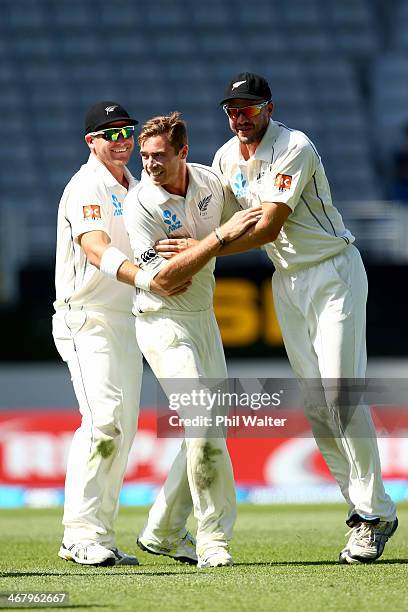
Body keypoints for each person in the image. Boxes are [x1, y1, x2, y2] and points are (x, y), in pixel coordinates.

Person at [208, 72, 397, 564]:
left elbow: (267, 224)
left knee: (340, 391)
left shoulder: (295, 145)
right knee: (316, 405)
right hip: (286, 280)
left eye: (248, 108)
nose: (239, 117)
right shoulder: (226, 157)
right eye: (231, 109)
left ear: (269, 107)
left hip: (332, 270)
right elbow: (218, 219)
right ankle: (362, 512)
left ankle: (375, 513)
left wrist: (200, 251)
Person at [52, 100, 199, 567]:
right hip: (87, 318)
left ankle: (100, 534)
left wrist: (173, 262)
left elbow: (149, 246)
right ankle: (78, 535)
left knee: (123, 428)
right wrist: (148, 278)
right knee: (104, 422)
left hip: (128, 318)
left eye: (127, 133)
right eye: (109, 134)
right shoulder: (85, 187)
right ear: (90, 142)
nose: (121, 142)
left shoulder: (138, 187)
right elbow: (95, 249)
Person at [124, 111, 261, 568]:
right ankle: (212, 539)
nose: (150, 165)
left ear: (183, 152)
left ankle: (162, 531)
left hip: (204, 320)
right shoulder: (141, 202)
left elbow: (253, 230)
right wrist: (216, 240)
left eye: (159, 156)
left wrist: (209, 244)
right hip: (163, 321)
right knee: (202, 418)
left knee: (208, 428)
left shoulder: (208, 182)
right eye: (144, 157)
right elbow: (164, 279)